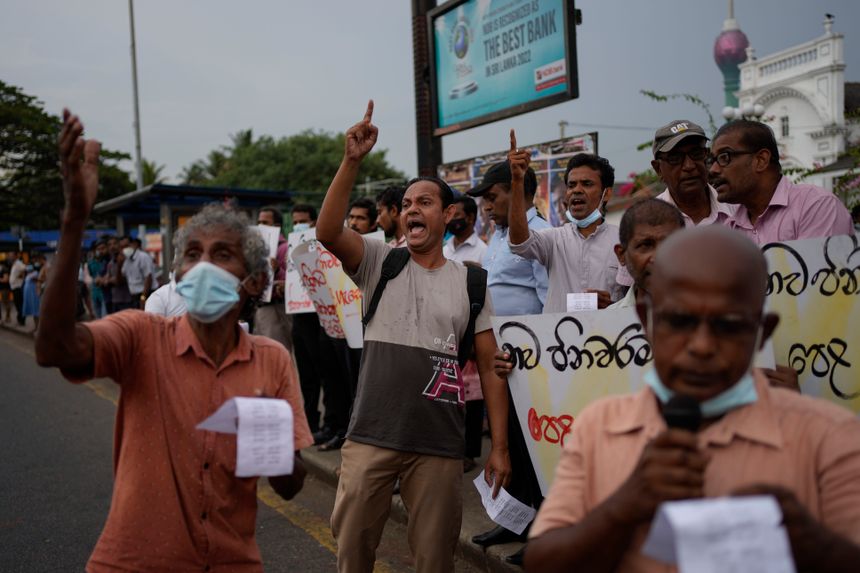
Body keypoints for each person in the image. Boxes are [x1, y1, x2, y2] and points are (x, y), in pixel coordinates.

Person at [35, 110, 313, 573]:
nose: (202, 266)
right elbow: (54, 349)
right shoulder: (142, 335)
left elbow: (289, 485)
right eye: (192, 254)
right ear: (178, 274)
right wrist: (74, 221)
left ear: (253, 280)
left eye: (221, 254)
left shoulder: (272, 359)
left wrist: (270, 441)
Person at [525, 225, 860, 572]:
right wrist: (622, 509)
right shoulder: (599, 426)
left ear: (762, 332)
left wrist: (810, 542)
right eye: (680, 322)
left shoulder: (830, 436)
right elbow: (541, 560)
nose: (701, 346)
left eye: (728, 325)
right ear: (646, 323)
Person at [317, 101, 511, 573]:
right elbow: (327, 231)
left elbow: (489, 366)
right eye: (406, 204)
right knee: (353, 552)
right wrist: (351, 160)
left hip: (439, 445)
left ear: (447, 215)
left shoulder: (471, 282)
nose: (410, 210)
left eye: (423, 202)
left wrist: (500, 446)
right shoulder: (380, 260)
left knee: (435, 560)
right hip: (371, 437)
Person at [508, 132, 624, 311]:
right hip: (557, 337)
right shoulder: (554, 239)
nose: (576, 190)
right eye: (571, 185)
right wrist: (517, 181)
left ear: (606, 193)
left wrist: (614, 307)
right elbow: (519, 243)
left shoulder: (623, 240)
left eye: (587, 184)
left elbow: (638, 301)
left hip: (608, 337)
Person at [709, 119, 853, 244]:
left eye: (724, 157)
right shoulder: (729, 232)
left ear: (761, 160)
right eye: (711, 160)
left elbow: (818, 274)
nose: (713, 169)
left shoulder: (816, 206)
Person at [651, 119, 735, 227]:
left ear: (707, 156)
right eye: (675, 158)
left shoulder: (737, 208)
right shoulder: (648, 220)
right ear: (658, 168)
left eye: (696, 153)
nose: (689, 166)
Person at [288, 204, 327, 433]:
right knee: (306, 374)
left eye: (302, 221)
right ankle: (310, 422)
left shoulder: (323, 244)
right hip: (298, 315)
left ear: (313, 222)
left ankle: (330, 422)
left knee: (323, 371)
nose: (298, 226)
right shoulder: (293, 245)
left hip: (319, 315)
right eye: (294, 222)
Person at [609, 198, 686, 309]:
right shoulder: (607, 321)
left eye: (670, 244)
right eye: (645, 245)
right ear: (622, 255)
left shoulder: (711, 315)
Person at [254, 205, 293, 352]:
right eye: (259, 222)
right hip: (261, 307)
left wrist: (277, 270)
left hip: (276, 308)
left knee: (277, 351)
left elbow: (293, 280)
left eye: (265, 223)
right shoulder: (260, 248)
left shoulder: (283, 248)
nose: (260, 226)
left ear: (276, 226)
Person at [442, 195, 487, 264]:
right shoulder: (444, 250)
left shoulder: (483, 252)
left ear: (470, 218)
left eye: (456, 215)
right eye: (449, 215)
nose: (451, 219)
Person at [122, 237, 155, 309]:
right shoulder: (127, 260)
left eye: (127, 246)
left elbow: (148, 277)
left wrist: (143, 297)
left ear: (134, 244)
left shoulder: (143, 257)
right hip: (134, 296)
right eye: (122, 247)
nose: (125, 249)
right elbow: (123, 274)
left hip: (145, 294)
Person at [86, 240, 109, 318]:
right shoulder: (90, 262)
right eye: (98, 249)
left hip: (105, 294)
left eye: (103, 248)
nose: (101, 251)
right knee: (98, 318)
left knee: (104, 317)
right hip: (95, 293)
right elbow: (92, 275)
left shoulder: (107, 261)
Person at [10, 252, 26, 325]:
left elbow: (24, 268)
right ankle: (20, 319)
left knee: (19, 304)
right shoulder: (14, 264)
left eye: (11, 256)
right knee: (17, 304)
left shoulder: (18, 263)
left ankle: (21, 320)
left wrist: (21, 276)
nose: (10, 257)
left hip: (18, 287)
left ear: (15, 256)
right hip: (14, 287)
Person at [0, 254, 11, 323]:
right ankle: (7, 317)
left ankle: (8, 317)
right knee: (5, 302)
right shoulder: (2, 269)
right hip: (3, 288)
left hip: (5, 288)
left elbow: (6, 279)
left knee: (6, 302)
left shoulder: (4, 269)